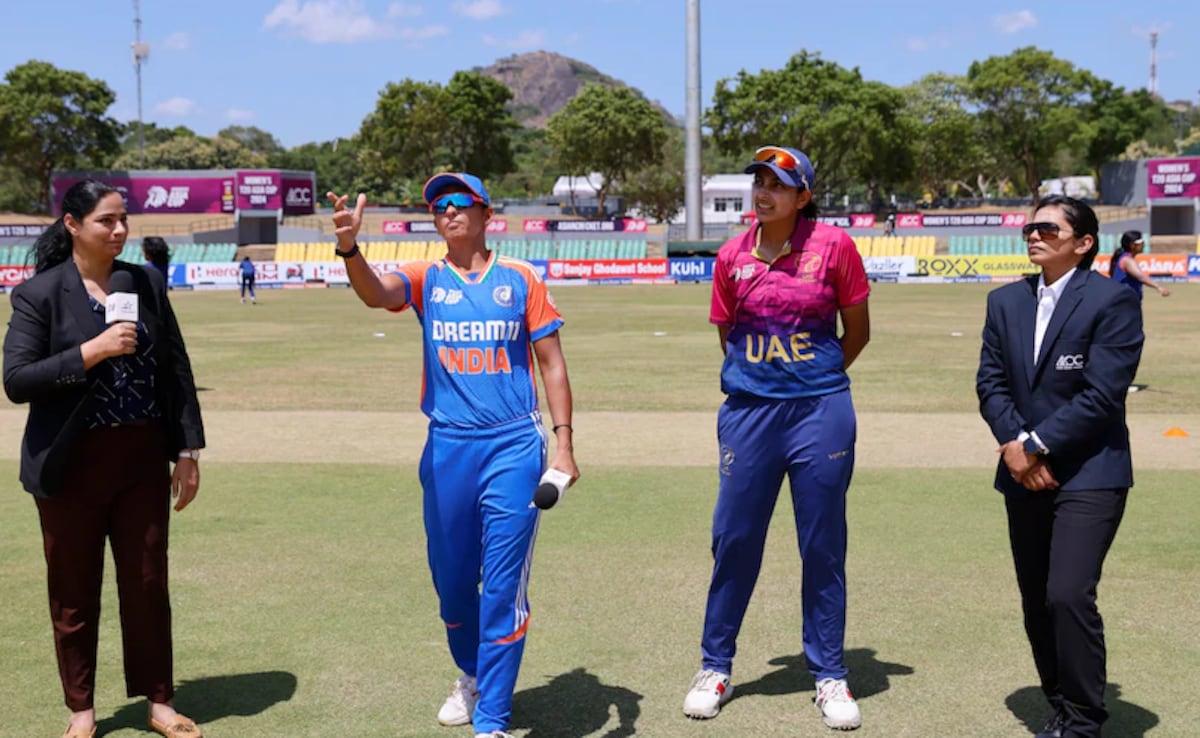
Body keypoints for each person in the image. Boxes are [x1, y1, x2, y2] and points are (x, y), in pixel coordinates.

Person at [326, 172, 579, 738]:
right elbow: (377, 293)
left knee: (504, 587)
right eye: (438, 206)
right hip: (447, 448)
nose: (449, 211)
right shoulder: (426, 277)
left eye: (461, 202)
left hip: (513, 446)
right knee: (453, 583)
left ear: (488, 214)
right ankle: (473, 675)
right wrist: (349, 247)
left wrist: (563, 445)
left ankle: (491, 720)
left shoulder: (520, 278)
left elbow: (552, 363)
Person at [2, 179, 207, 738]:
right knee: (73, 592)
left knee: (147, 585)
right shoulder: (40, 294)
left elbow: (176, 370)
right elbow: (17, 380)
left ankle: (159, 701)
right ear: (73, 225)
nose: (119, 230)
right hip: (70, 465)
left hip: (141, 460)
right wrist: (91, 351)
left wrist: (187, 450)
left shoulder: (144, 282)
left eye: (123, 219)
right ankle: (82, 710)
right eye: (106, 221)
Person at [683, 146, 870, 731]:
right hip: (749, 413)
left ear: (803, 196)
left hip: (820, 412)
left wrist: (811, 380)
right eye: (759, 182)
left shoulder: (834, 247)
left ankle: (830, 673)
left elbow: (857, 332)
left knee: (822, 544)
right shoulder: (731, 255)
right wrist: (765, 382)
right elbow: (728, 337)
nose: (763, 193)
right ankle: (715, 666)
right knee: (734, 539)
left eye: (778, 185)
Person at [976, 195, 1143, 738]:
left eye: (1048, 228)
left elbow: (1102, 395)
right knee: (1036, 599)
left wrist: (1036, 445)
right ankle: (1061, 705)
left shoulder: (1113, 301)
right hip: (1021, 471)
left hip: (1092, 471)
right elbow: (990, 383)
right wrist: (1016, 447)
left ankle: (1083, 722)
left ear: (1084, 242)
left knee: (1067, 594)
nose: (1034, 235)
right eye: (1030, 227)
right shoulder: (1004, 301)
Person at [1110, 229, 1171, 299]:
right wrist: (1158, 287)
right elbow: (1141, 277)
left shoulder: (1125, 258)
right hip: (1124, 300)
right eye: (1141, 243)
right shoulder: (1127, 260)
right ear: (1132, 245)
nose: (1143, 245)